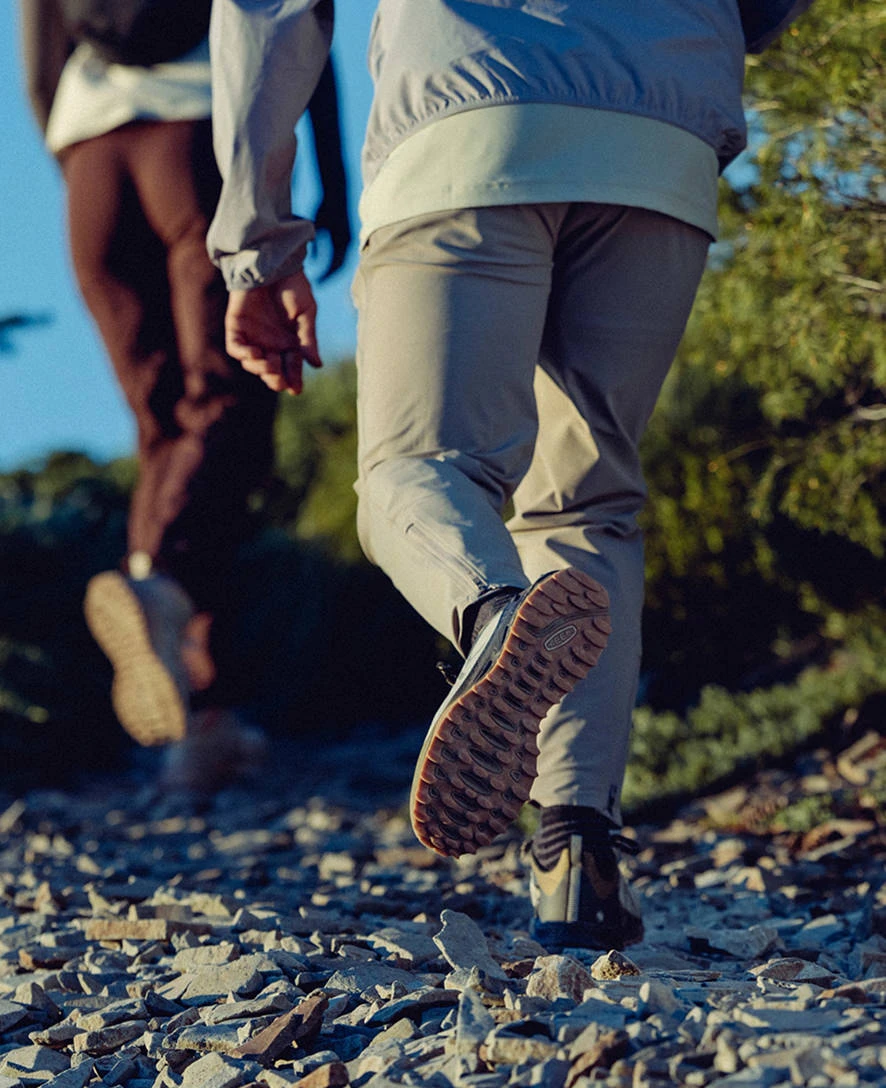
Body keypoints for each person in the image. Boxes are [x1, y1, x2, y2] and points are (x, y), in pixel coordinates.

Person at [206, 0, 814, 949]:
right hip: (662, 138)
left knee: (416, 469)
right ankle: (577, 857)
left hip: (466, 119)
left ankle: (491, 613)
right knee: (587, 506)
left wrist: (256, 246)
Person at [19, 0, 351, 790]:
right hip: (198, 138)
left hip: (91, 159)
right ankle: (161, 583)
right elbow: (297, 22)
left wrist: (77, 159)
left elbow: (38, 66)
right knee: (229, 396)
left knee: (163, 428)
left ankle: (204, 717)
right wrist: (333, 184)